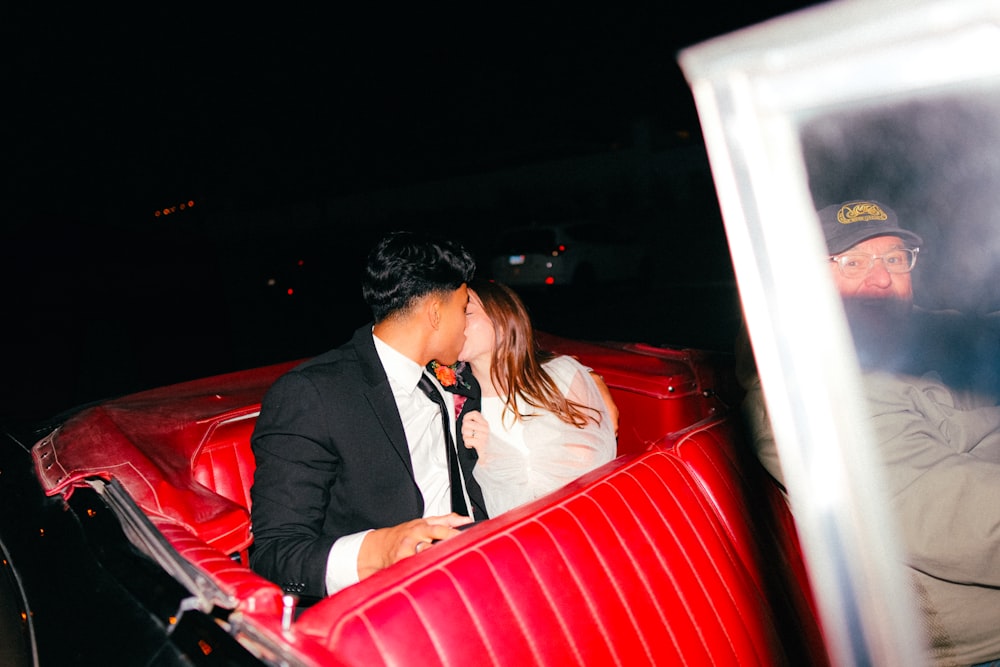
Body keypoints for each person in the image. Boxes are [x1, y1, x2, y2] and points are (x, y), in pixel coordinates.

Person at [736, 199, 1000, 666]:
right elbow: (965, 523)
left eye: (894, 259)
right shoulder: (810, 391)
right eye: (851, 262)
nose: (880, 279)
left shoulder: (911, 337)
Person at [249, 230, 488, 601]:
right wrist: (380, 550)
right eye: (463, 310)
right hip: (386, 602)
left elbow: (517, 365)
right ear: (436, 314)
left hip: (476, 565)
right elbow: (274, 555)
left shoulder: (453, 372)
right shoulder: (313, 395)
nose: (467, 324)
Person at [450, 280, 617, 516]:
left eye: (467, 312)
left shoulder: (561, 376)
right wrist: (487, 458)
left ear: (502, 320)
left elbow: (592, 471)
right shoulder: (455, 403)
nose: (456, 322)